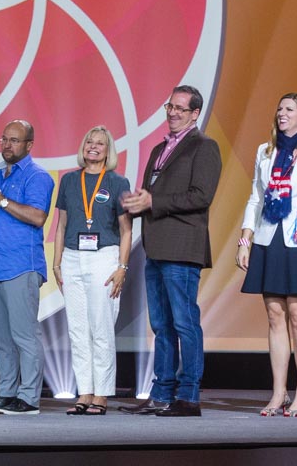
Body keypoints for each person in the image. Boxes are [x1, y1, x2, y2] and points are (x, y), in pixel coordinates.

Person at [120, 85, 222, 418]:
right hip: (156, 247)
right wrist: (136, 203)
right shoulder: (159, 149)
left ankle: (189, 396)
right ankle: (161, 393)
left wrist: (154, 201)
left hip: (182, 247)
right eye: (170, 106)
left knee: (184, 323)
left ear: (195, 114)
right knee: (161, 325)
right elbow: (152, 196)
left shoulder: (204, 147)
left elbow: (201, 196)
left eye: (181, 108)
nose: (173, 113)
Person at [238, 93, 297, 418]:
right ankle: (279, 392)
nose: (282, 113)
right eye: (279, 108)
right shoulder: (265, 152)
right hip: (270, 236)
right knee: (274, 315)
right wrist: (245, 239)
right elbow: (256, 197)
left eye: (289, 109)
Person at [0, 120, 54, 416]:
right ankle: (6, 393)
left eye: (14, 140)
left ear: (29, 145)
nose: (7, 145)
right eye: (4, 139)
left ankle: (28, 398)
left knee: (24, 336)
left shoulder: (37, 176)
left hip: (20, 267)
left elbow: (38, 217)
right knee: (2, 339)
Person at [51, 126, 132, 416]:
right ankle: (84, 391)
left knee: (101, 328)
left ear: (108, 151)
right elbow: (61, 226)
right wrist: (57, 262)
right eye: (89, 142)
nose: (93, 147)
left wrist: (122, 267)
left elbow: (126, 230)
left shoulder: (118, 182)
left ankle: (102, 394)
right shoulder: (69, 180)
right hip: (72, 258)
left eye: (100, 143)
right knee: (77, 329)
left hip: (104, 257)